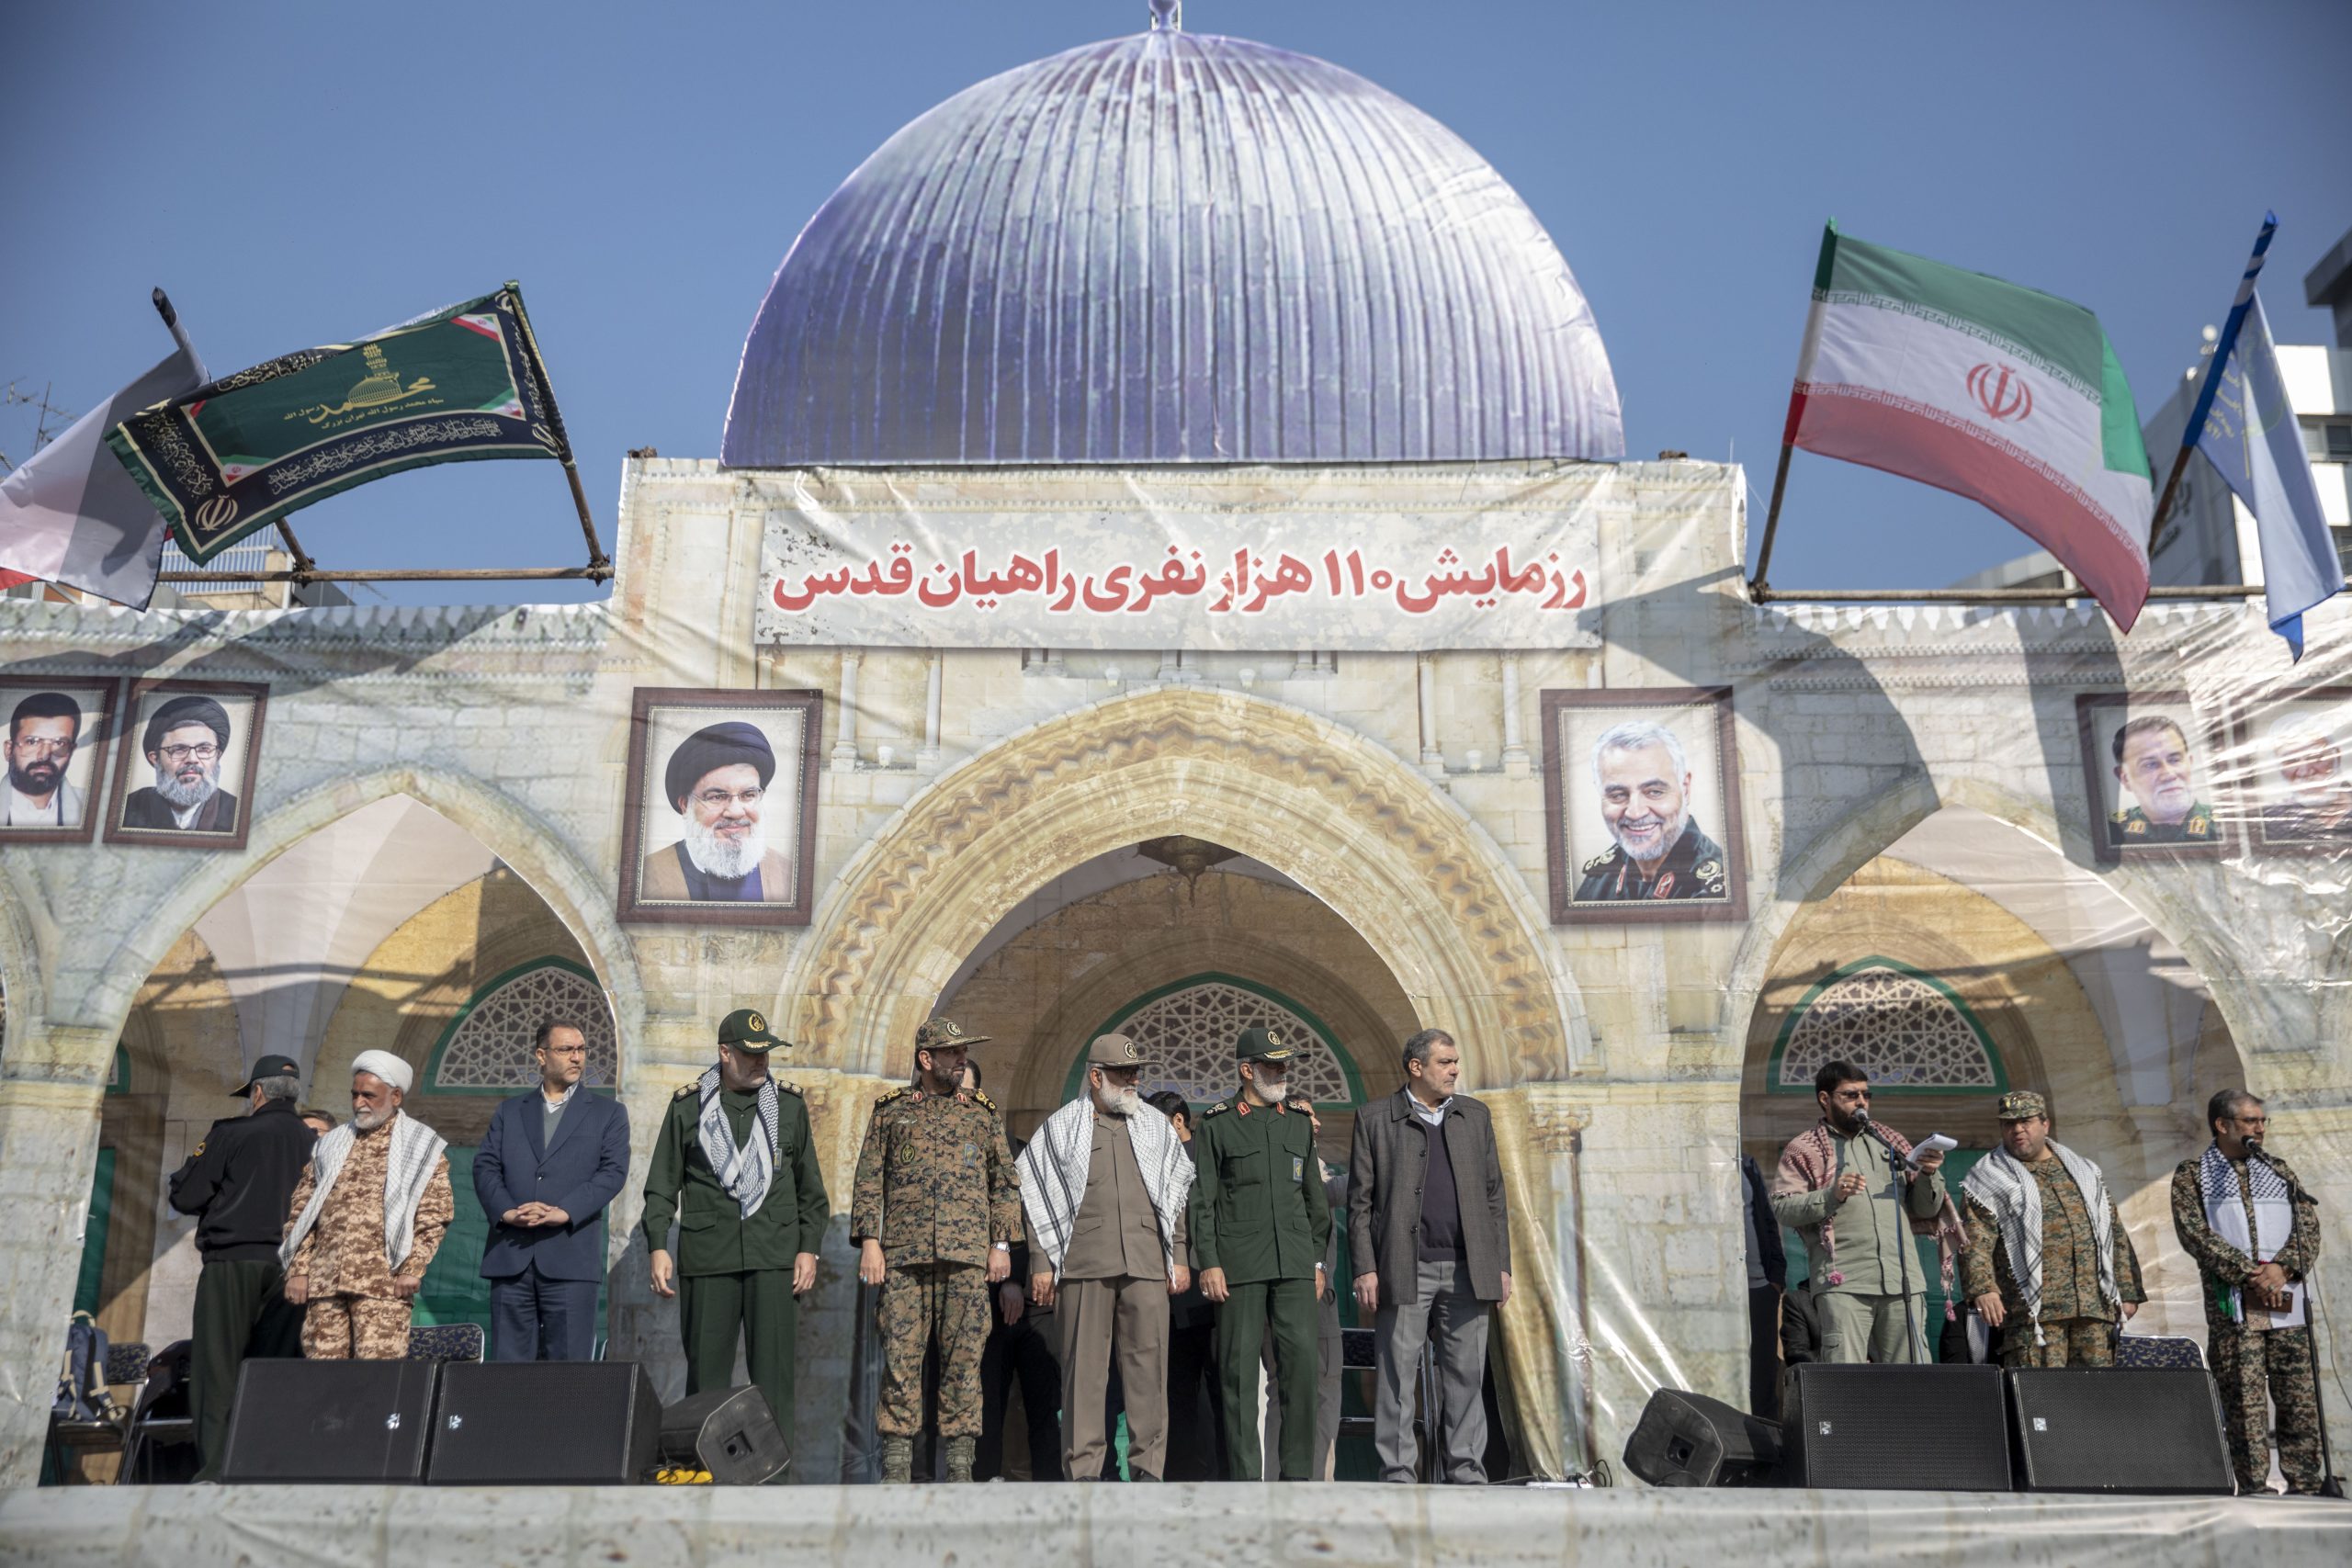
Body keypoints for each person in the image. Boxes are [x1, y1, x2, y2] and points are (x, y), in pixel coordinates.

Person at [640, 1008, 828, 1432]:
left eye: (766, 1053)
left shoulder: (790, 1108)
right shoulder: (689, 1107)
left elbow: (811, 1192)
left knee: (774, 1380)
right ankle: (704, 1476)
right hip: (710, 1258)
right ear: (724, 1053)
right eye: (750, 1054)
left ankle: (773, 1485)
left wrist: (809, 1248)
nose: (761, 1061)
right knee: (706, 1380)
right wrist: (656, 1245)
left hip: (775, 1258)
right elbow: (661, 1185)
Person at [1019, 1034, 1194, 1483]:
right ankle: (1084, 1473)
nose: (1133, 1081)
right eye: (1122, 1074)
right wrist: (1040, 1261)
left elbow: (1175, 1198)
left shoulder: (1155, 1126)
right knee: (1084, 1374)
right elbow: (1036, 1194)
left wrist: (1177, 1255)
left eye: (1136, 1073)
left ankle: (1148, 1470)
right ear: (1096, 1077)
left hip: (1145, 1264)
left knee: (1148, 1371)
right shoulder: (1062, 1127)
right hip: (1083, 1265)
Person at [853, 1017, 1019, 1483]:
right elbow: (869, 1182)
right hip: (904, 1259)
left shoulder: (981, 1114)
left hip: (966, 1260)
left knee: (964, 1365)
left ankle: (961, 1469)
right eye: (951, 1052)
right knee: (901, 1363)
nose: (960, 1058)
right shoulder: (890, 1112)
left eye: (963, 1051)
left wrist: (1000, 1244)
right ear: (926, 1060)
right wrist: (870, 1241)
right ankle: (897, 1470)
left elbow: (1004, 1184)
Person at [1348, 1027, 1512, 1483]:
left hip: (1468, 1269)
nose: (1455, 1070)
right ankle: (1398, 1474)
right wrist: (1365, 1266)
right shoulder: (1377, 1117)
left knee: (1465, 1378)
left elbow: (1494, 1196)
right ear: (1416, 1067)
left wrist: (1501, 1265)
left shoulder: (1475, 1116)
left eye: (1456, 1062)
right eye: (1445, 1062)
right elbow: (1360, 1203)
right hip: (1405, 1269)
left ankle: (1466, 1474)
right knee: (1398, 1379)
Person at [1190, 1026, 1330, 1482]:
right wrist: (1208, 1261)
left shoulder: (1297, 1122)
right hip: (1239, 1265)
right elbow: (1203, 1200)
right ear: (1247, 1070)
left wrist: (1316, 1261)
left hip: (1293, 1264)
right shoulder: (1216, 1122)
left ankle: (1296, 1479)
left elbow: (1315, 1200)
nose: (1282, 1072)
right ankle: (1247, 1481)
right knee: (1236, 1377)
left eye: (1285, 1064)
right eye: (1272, 1064)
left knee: (1302, 1373)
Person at [165, 1053, 313, 1480]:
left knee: (219, 1371)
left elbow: (187, 1195)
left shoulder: (231, 1132)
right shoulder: (318, 1143)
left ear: (258, 1092)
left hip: (234, 1263)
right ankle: (265, 1469)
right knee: (274, 1371)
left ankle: (216, 1469)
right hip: (292, 1269)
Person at [2171, 1089, 2326, 1495]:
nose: (2259, 1128)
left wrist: (2283, 1268)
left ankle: (2306, 1484)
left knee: (2299, 1395)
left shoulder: (2279, 1171)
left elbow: (2308, 1227)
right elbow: (2195, 1235)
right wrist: (2251, 1274)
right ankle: (2255, 1485)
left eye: (2262, 1121)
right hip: (2235, 1307)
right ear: (2222, 1126)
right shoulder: (2192, 1175)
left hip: (2285, 1303)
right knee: (2244, 1399)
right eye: (2249, 1121)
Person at [1770, 1060, 1962, 1365]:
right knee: (1848, 1381)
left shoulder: (1889, 1143)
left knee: (1915, 1378)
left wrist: (1928, 1175)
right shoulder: (1804, 1149)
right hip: (1844, 1282)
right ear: (1825, 1099)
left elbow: (1924, 1209)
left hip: (1903, 1281)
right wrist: (1831, 1196)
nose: (1861, 1102)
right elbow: (1782, 1207)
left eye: (1865, 1095)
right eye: (1850, 1095)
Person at [279, 1051, 455, 1359]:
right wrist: (298, 1269)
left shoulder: (421, 1146)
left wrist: (412, 1268)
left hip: (384, 1287)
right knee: (323, 1385)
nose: (359, 1102)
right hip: (325, 1286)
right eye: (355, 1094)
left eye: (369, 1095)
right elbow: (302, 1212)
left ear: (396, 1096)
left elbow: (434, 1215)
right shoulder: (330, 1144)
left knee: (377, 1384)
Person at [476, 1020, 631, 1361]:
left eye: (581, 1050)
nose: (577, 1058)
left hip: (570, 1259)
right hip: (512, 1257)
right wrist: (507, 1211)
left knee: (567, 1372)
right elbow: (485, 1166)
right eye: (566, 1050)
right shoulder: (510, 1111)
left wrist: (566, 1210)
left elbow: (613, 1172)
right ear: (541, 1056)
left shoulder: (609, 1113)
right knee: (508, 1372)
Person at [1959, 1090, 2143, 1368]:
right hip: (2034, 1317)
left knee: (2095, 1398)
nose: (2017, 1130)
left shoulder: (2083, 1171)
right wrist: (1984, 1288)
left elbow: (2114, 1232)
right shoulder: (1988, 1178)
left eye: (2026, 1121)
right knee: (2041, 1401)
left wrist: (2128, 1291)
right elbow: (1974, 1240)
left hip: (2094, 1308)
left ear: (2045, 1125)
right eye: (2009, 1124)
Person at [975, 1060, 1062, 1483]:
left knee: (1044, 1405)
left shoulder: (1020, 1152)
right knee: (987, 1403)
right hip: (986, 1303)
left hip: (1034, 1303)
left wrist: (1017, 1279)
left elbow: (1035, 1222)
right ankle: (983, 1482)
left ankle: (1050, 1484)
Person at [1148, 1089, 1225, 1481]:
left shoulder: (1203, 1159)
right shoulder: (1155, 1162)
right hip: (1168, 1299)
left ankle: (1216, 1476)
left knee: (1215, 1392)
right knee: (1176, 1392)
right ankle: (1179, 1474)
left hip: (1206, 1296)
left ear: (1179, 1121)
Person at [1573, 719, 1728, 901]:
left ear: (1685, 789)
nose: (1635, 813)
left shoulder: (1719, 888)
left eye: (1655, 792)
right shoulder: (1596, 881)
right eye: (1617, 795)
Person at [639, 722, 795, 901]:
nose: (736, 812)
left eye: (748, 795)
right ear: (685, 805)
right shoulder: (645, 878)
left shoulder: (788, 876)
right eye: (717, 797)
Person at [119, 694, 241, 833]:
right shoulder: (123, 809)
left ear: (218, 756)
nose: (192, 759)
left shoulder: (240, 813)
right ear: (155, 758)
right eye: (179, 749)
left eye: (204, 749)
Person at [2108, 715, 2216, 844]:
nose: (2169, 775)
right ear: (2125, 779)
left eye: (2175, 760)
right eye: (2150, 765)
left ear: (2190, 763)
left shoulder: (2227, 825)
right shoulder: (2111, 831)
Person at [1740, 1151, 1788, 1416]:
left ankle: (1765, 1444)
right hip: (1716, 1289)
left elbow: (1767, 1221)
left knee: (1763, 1370)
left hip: (1758, 1286)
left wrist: (1776, 1278)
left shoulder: (1746, 1163)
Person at [2260, 719, 2352, 843]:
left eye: (2314, 757)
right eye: (2291, 761)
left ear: (2336, 755)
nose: (2304, 772)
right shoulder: (2270, 820)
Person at [4, 691, 85, 828]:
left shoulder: (96, 807)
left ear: (71, 752)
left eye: (59, 743)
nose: (45, 755)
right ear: (9, 750)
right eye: (32, 741)